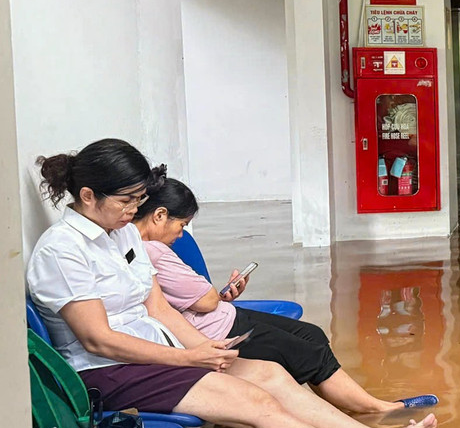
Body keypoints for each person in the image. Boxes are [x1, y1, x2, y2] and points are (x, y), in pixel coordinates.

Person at [25, 138, 436, 428]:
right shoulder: (62, 251)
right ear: (88, 195)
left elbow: (158, 307)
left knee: (273, 374)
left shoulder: (124, 234)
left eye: (138, 199)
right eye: (127, 200)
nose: (135, 210)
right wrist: (188, 359)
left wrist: (202, 348)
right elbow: (99, 340)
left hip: (154, 352)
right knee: (255, 403)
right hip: (109, 370)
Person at [133, 178, 435, 415]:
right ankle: (374, 408)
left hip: (223, 318)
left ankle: (343, 404)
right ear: (160, 215)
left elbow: (200, 300)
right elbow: (206, 301)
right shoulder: (153, 251)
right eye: (181, 226)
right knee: (310, 353)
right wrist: (216, 298)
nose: (181, 235)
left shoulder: (142, 247)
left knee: (312, 334)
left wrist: (220, 297)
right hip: (217, 330)